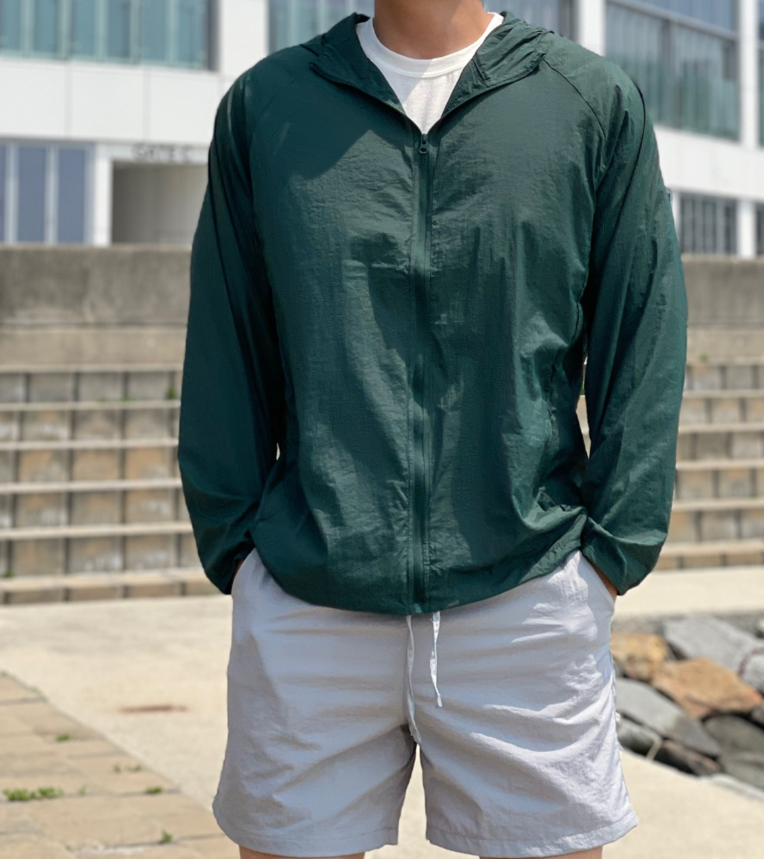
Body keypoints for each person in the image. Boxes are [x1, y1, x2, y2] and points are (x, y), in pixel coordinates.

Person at [177, 0, 688, 857]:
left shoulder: (587, 101)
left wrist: (610, 556)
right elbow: (228, 339)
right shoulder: (268, 107)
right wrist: (238, 549)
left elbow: (643, 332)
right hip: (311, 596)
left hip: (526, 593)